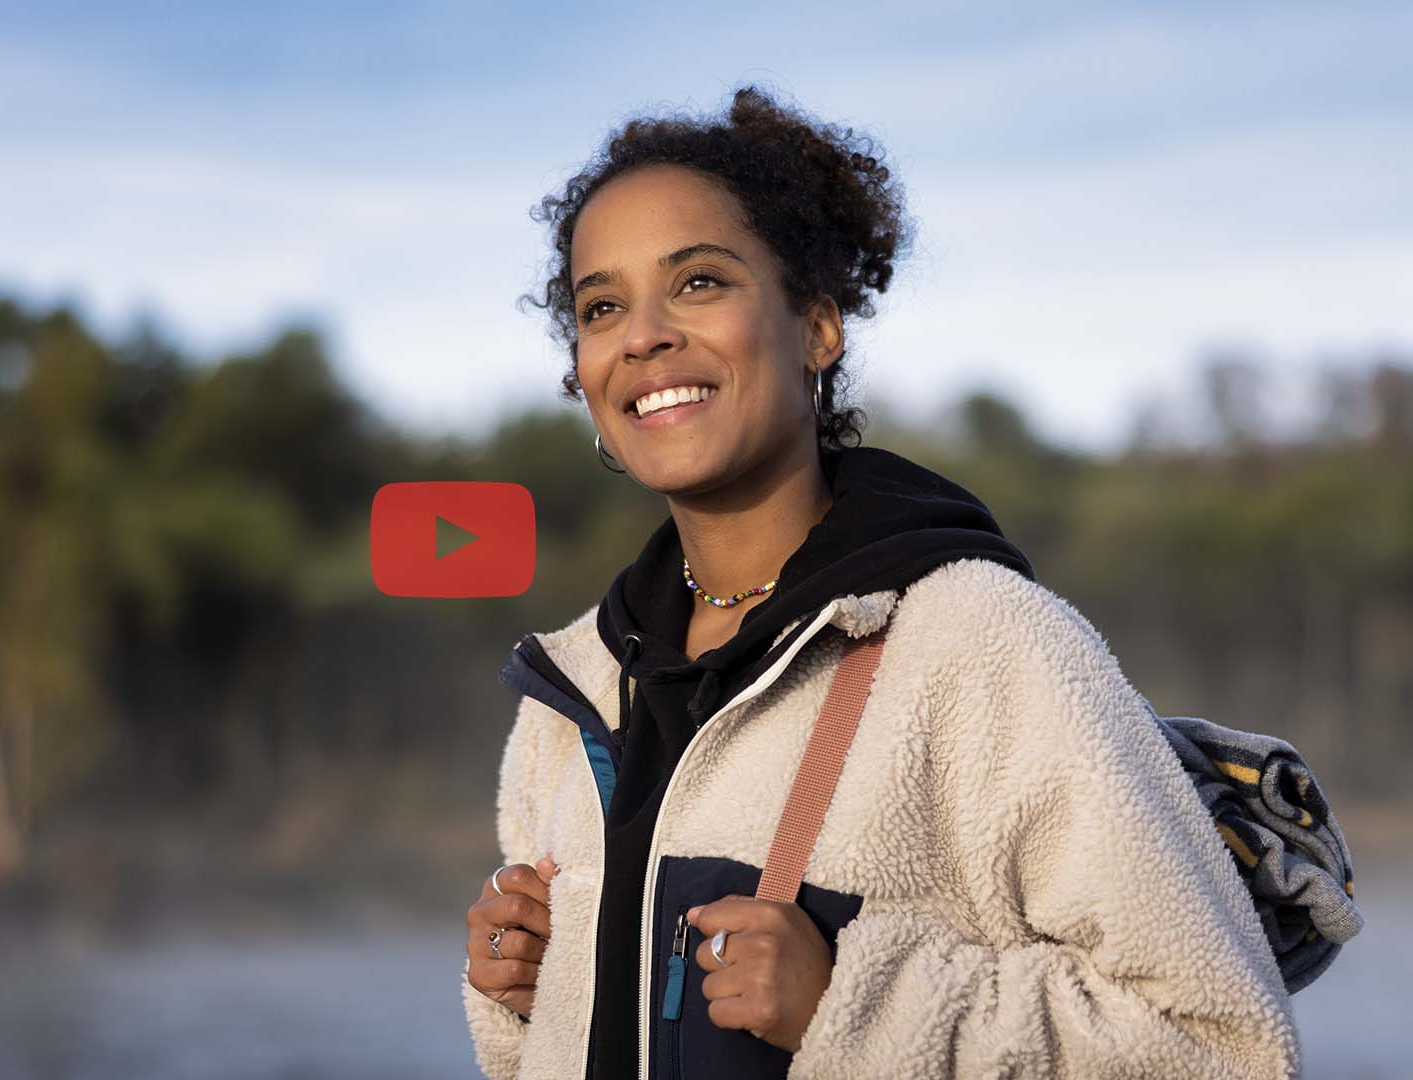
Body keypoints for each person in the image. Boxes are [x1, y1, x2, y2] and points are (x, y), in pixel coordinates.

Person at [459, 86, 1300, 1079]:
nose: (643, 334)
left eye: (698, 284)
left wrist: (857, 1003)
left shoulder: (983, 641)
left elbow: (1222, 1043)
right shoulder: (571, 697)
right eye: (603, 305)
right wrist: (529, 991)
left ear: (818, 326)